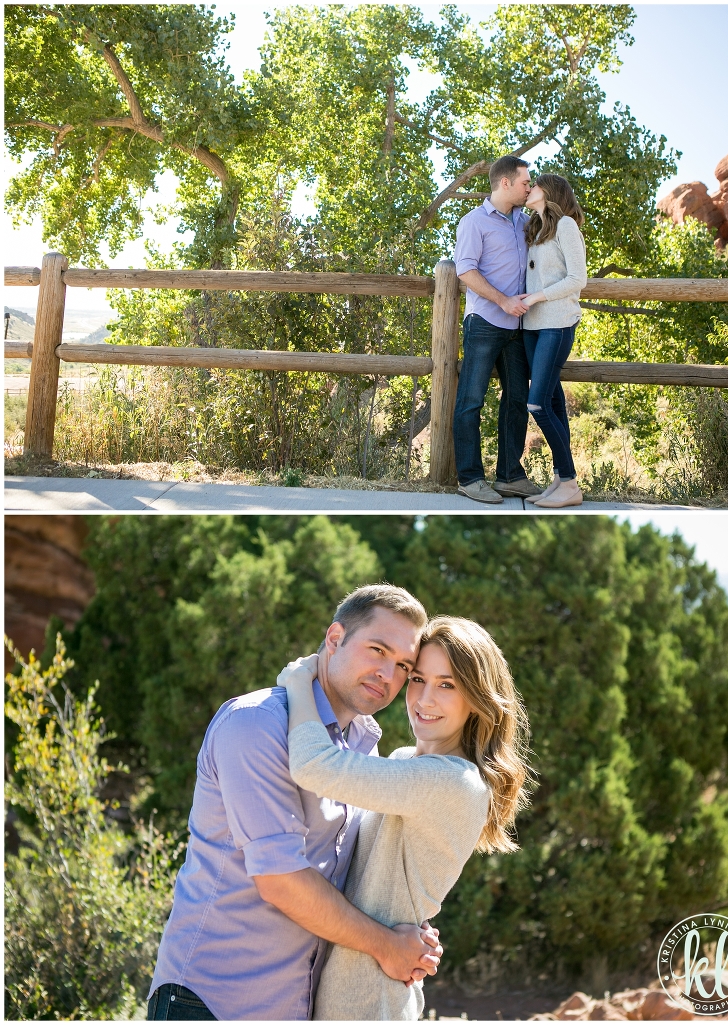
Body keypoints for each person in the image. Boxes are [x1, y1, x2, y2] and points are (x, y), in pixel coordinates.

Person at [147, 585, 444, 1021]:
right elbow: (280, 878)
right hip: (212, 1000)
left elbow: (358, 870)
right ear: (335, 637)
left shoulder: (363, 745)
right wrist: (387, 946)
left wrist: (411, 933)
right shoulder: (256, 724)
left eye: (403, 665)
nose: (388, 674)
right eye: (377, 650)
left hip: (296, 1007)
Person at [282, 616, 532, 1020]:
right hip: (352, 983)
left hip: (368, 999)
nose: (424, 699)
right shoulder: (406, 762)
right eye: (417, 679)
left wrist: (298, 680)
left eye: (447, 685)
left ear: (477, 698)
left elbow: (315, 767)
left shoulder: (453, 780)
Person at [452, 154, 543, 505]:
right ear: (505, 182)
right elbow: (465, 271)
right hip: (486, 323)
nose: (529, 187)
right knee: (471, 400)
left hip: (518, 327)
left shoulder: (524, 221)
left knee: (517, 400)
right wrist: (504, 301)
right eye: (525, 182)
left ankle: (509, 476)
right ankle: (470, 478)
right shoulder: (474, 222)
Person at [519, 173, 588, 509]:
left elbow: (578, 279)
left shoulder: (566, 227)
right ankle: (561, 479)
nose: (529, 188)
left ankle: (571, 481)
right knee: (554, 402)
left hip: (557, 324)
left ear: (552, 192)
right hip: (532, 327)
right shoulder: (536, 228)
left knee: (537, 404)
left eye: (535, 185)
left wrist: (535, 298)